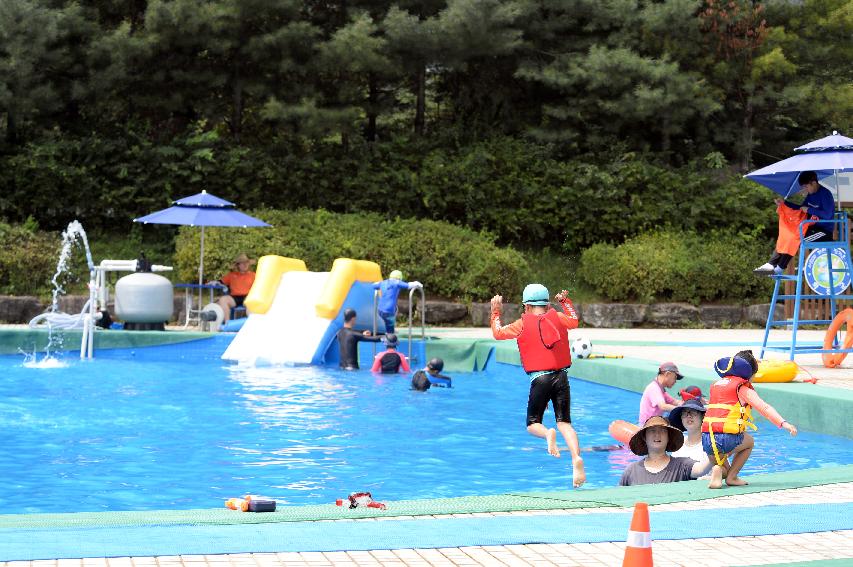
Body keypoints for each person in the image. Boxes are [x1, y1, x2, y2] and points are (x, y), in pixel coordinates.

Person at [490, 283, 586, 488]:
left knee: (533, 423)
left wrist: (495, 312)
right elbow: (574, 321)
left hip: (540, 379)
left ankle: (547, 433)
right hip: (561, 377)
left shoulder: (521, 324)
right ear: (547, 303)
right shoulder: (558, 317)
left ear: (526, 306)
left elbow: (498, 333)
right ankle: (576, 457)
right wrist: (565, 302)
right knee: (565, 424)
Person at [703, 349, 798, 489]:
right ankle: (732, 477)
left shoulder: (717, 385)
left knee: (720, 461)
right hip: (726, 440)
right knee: (749, 442)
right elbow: (764, 408)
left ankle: (718, 471)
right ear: (748, 373)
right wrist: (784, 423)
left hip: (707, 440)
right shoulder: (742, 388)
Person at [754, 171, 835, 275]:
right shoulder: (811, 194)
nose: (805, 190)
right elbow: (801, 209)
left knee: (796, 237)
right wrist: (785, 203)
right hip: (809, 228)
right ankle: (771, 264)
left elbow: (828, 215)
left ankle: (779, 267)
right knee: (788, 234)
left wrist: (809, 210)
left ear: (813, 183)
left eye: (806, 187)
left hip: (823, 232)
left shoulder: (825, 194)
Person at [619, 415, 713, 486]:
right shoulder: (631, 471)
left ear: (668, 437)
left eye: (663, 431)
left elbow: (702, 469)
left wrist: (719, 446)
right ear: (644, 437)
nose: (657, 434)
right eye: (652, 430)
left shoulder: (682, 465)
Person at [373, 270, 422, 335]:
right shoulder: (397, 282)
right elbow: (408, 285)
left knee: (395, 310)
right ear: (399, 278)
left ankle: (390, 330)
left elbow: (373, 286)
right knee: (390, 330)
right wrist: (416, 283)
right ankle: (390, 336)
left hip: (380, 309)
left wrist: (378, 283)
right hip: (388, 310)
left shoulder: (383, 282)